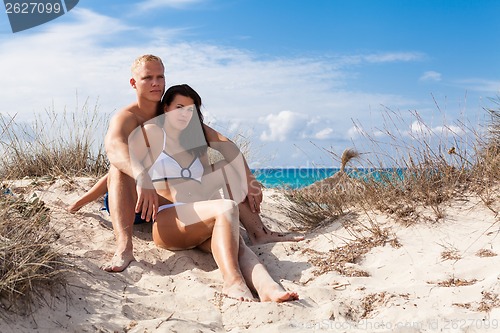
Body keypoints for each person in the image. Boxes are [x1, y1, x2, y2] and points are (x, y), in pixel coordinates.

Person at [91, 55, 302, 273]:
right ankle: (124, 248)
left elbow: (223, 143)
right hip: (133, 200)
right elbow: (114, 150)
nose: (156, 83)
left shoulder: (173, 113)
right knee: (120, 165)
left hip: (162, 200)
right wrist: (140, 178)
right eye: (147, 78)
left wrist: (248, 178)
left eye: (160, 76)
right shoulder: (127, 117)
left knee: (220, 161)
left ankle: (258, 232)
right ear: (133, 83)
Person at [127, 83, 298, 302]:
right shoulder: (153, 132)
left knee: (238, 246)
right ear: (166, 108)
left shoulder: (196, 141)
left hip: (200, 219)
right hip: (169, 220)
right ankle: (233, 282)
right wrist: (83, 201)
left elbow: (229, 150)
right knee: (226, 206)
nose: (185, 114)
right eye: (179, 107)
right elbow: (121, 166)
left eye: (190, 109)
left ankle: (268, 288)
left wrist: (249, 179)